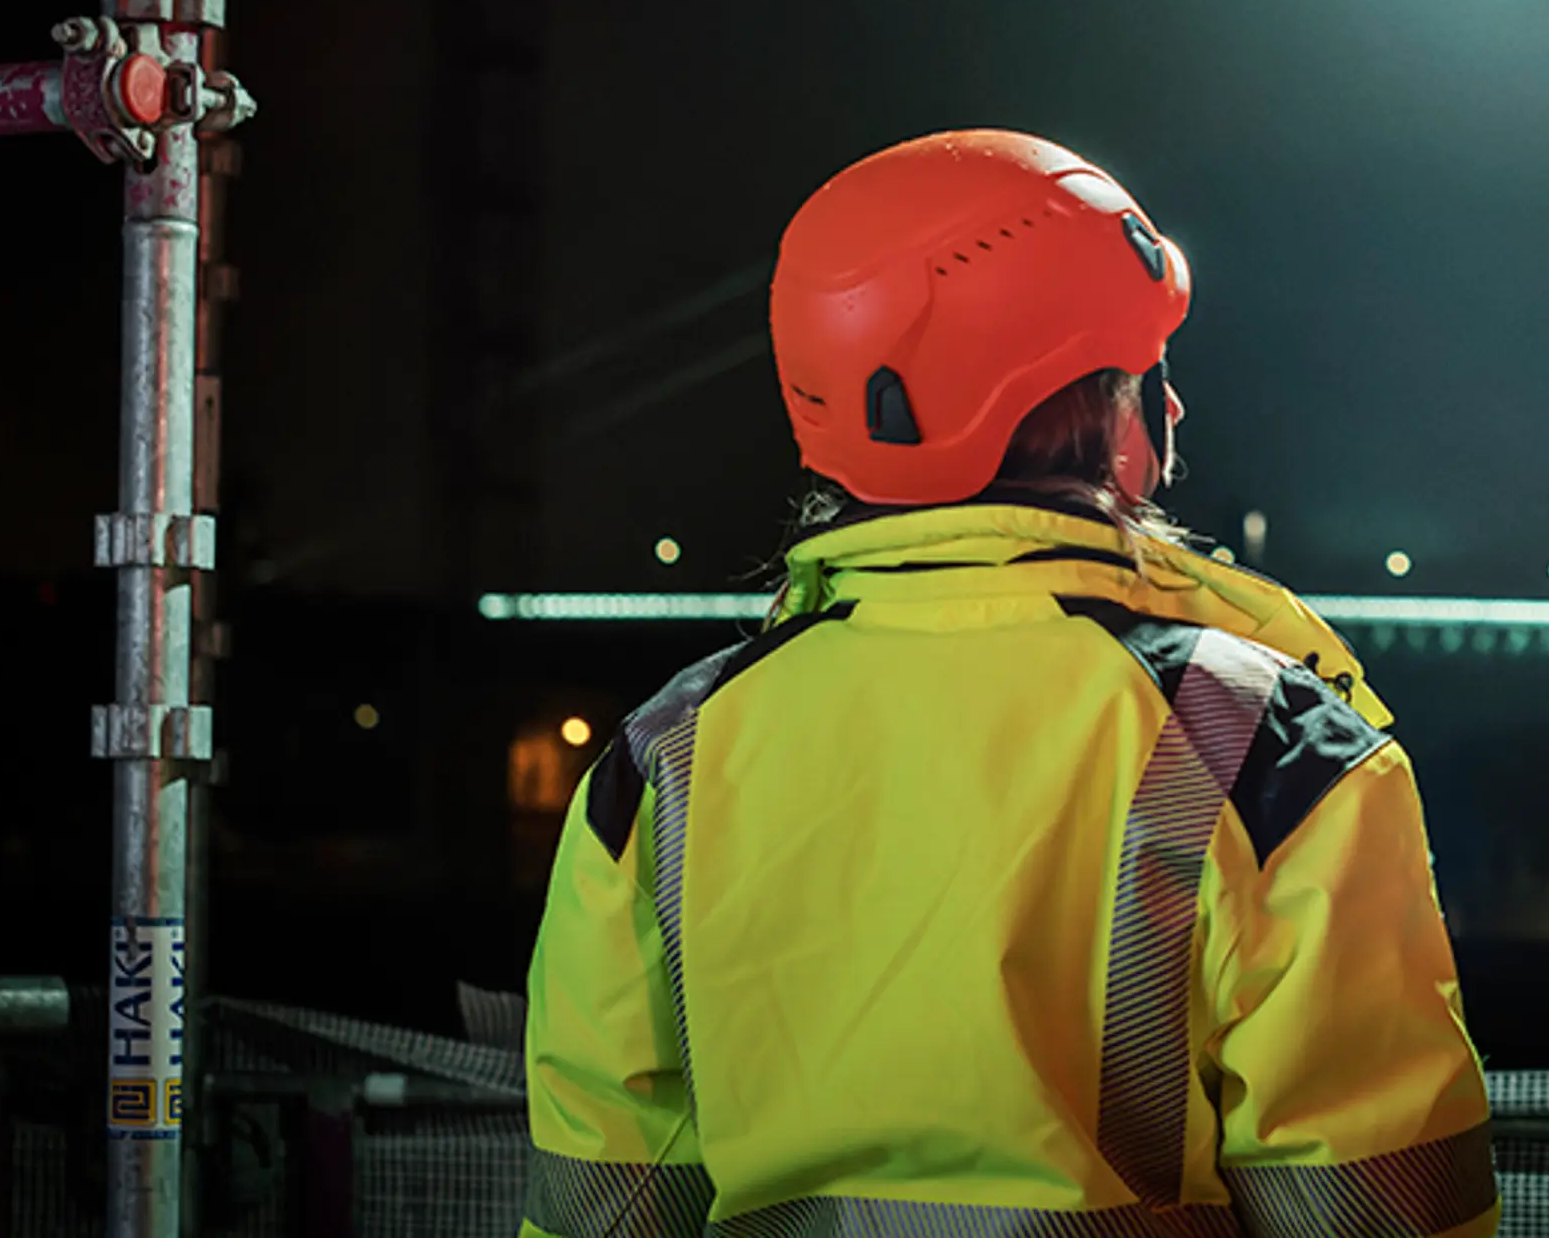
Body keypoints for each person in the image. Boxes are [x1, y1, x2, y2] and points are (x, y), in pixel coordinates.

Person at [522, 130, 1498, 1238]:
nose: (1167, 411)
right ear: (1090, 420)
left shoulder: (662, 764)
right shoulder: (1271, 749)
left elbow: (598, 1208)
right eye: (1140, 376)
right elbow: (1378, 1212)